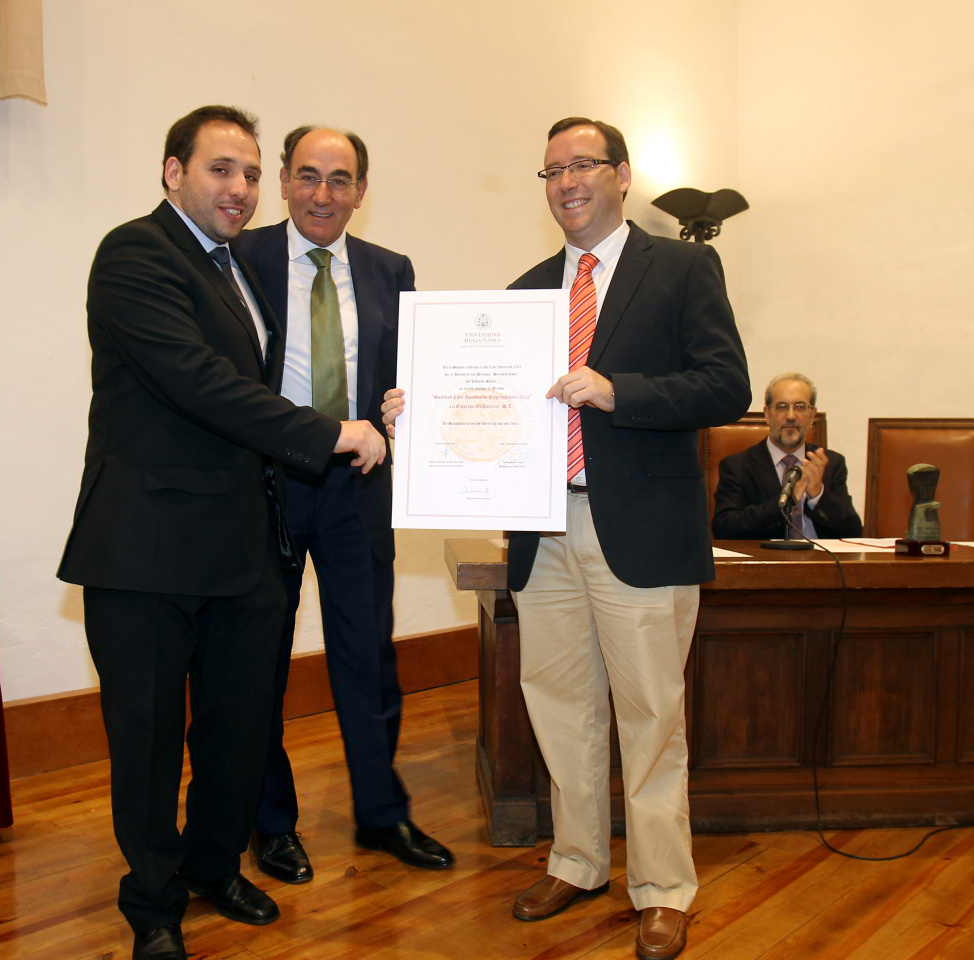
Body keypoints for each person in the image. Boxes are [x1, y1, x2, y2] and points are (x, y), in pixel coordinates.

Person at [385, 117, 748, 960]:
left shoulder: (684, 266)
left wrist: (620, 391)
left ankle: (662, 887)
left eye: (582, 164)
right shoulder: (525, 293)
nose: (565, 181)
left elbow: (726, 383)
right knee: (558, 704)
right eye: (551, 170)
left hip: (643, 530)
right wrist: (425, 409)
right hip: (543, 529)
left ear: (623, 175)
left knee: (652, 713)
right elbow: (499, 406)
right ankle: (578, 860)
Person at [57, 105, 387, 960]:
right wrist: (329, 432)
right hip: (148, 549)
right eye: (220, 170)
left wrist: (378, 408)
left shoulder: (236, 267)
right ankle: (154, 903)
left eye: (247, 174)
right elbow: (198, 382)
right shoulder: (135, 253)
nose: (238, 189)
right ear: (174, 173)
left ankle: (213, 867)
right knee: (151, 741)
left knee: (238, 731)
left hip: (244, 547)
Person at [232, 126, 452, 882]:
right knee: (259, 662)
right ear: (285, 183)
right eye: (308, 177)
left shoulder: (393, 270)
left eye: (341, 179)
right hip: (269, 484)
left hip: (359, 489)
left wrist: (406, 405)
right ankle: (272, 825)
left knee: (369, 657)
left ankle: (381, 814)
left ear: (362, 189)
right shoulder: (244, 257)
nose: (323, 195)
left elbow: (410, 377)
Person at [712, 372, 862, 540]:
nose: (791, 416)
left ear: (812, 415)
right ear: (767, 414)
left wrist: (818, 495)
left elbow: (853, 531)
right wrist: (786, 502)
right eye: (782, 406)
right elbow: (724, 528)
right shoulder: (738, 466)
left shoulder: (830, 463)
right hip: (768, 563)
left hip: (821, 561)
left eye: (800, 406)